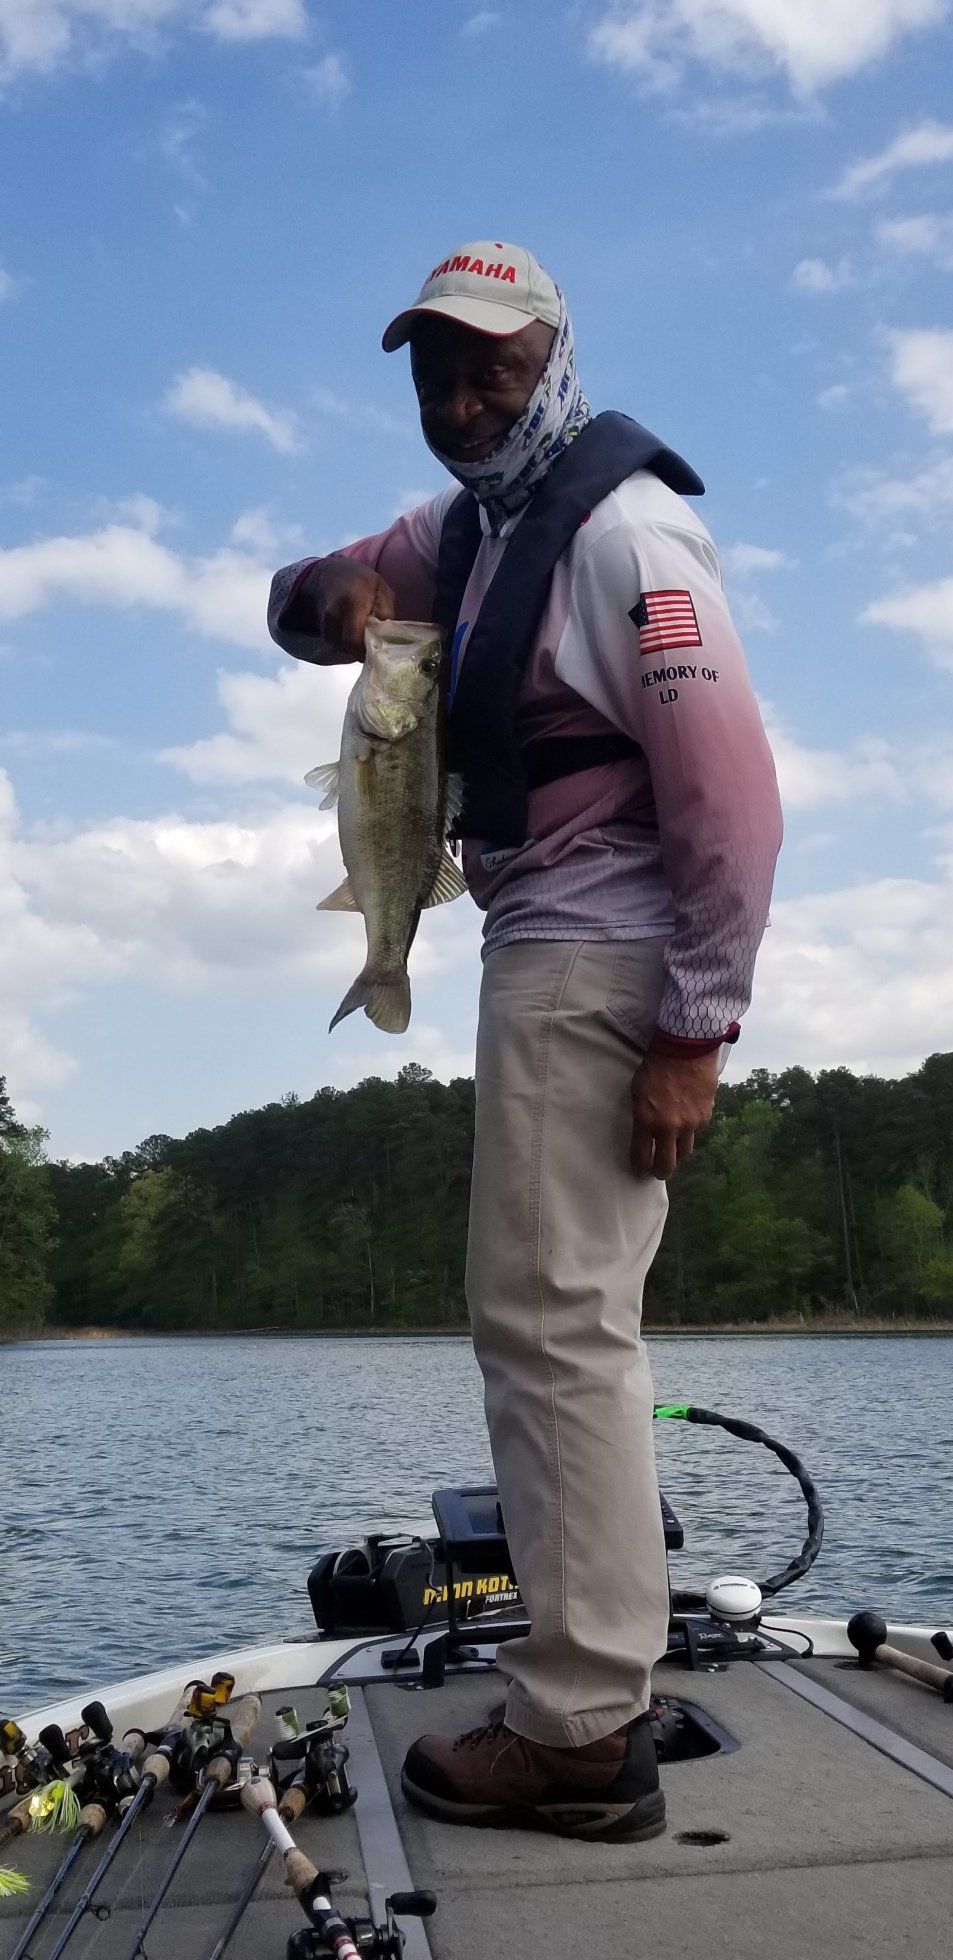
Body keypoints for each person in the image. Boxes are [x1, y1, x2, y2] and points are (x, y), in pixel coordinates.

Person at [269, 239, 782, 1841]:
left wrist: (694, 1027)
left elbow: (732, 799)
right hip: (539, 957)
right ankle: (591, 1689)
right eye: (434, 371)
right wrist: (328, 597)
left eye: (491, 362)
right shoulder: (469, 529)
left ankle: (576, 1731)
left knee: (554, 1334)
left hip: (598, 961)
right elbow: (305, 604)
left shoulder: (627, 537)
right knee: (552, 1327)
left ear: (555, 355)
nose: (462, 395)